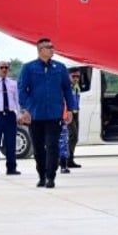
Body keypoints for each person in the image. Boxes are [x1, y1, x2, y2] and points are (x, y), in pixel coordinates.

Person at [18, 38, 76, 188]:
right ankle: (42, 175)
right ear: (40, 50)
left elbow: (67, 90)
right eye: (48, 47)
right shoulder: (29, 68)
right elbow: (22, 90)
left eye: (52, 46)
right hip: (35, 115)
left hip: (54, 114)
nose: (52, 49)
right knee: (38, 148)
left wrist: (70, 109)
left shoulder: (60, 68)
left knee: (52, 146)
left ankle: (51, 176)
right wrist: (24, 109)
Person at [66, 67, 82, 169]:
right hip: (68, 113)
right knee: (73, 136)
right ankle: (66, 159)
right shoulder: (66, 87)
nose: (76, 78)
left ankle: (69, 159)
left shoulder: (76, 87)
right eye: (74, 76)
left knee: (74, 138)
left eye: (78, 76)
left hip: (76, 113)